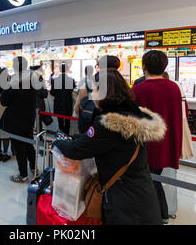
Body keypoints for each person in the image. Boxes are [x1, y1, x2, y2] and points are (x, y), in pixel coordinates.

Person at [52, 68, 165, 225]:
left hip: (124, 202)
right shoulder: (132, 113)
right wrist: (78, 138)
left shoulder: (109, 123)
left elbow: (77, 150)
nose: (93, 94)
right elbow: (98, 141)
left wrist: (57, 143)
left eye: (95, 89)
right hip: (142, 194)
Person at [132, 50, 184, 224]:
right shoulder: (174, 87)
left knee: (150, 182)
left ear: (144, 66)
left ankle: (160, 216)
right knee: (153, 180)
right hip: (167, 144)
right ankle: (160, 216)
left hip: (146, 146)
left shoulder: (139, 89)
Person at [0, 56, 37, 183]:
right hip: (29, 118)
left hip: (16, 120)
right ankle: (34, 168)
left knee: (19, 147)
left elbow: (3, 101)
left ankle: (23, 174)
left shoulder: (14, 82)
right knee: (29, 144)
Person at [50, 63, 76, 135]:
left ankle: (61, 135)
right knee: (68, 120)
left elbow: (52, 93)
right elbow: (72, 90)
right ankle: (67, 135)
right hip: (68, 102)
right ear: (67, 70)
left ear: (60, 70)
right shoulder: (71, 80)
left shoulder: (55, 80)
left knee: (60, 120)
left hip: (58, 103)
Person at [30, 65, 49, 131]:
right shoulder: (40, 80)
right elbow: (45, 94)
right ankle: (39, 138)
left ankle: (33, 138)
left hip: (32, 105)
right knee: (38, 123)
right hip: (38, 105)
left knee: (33, 123)